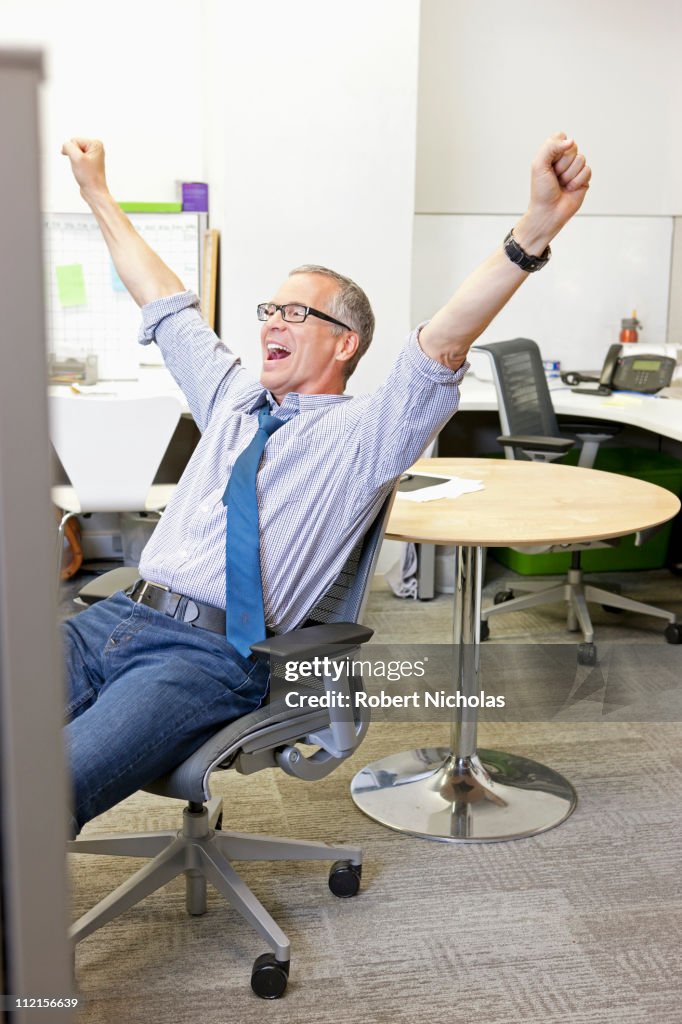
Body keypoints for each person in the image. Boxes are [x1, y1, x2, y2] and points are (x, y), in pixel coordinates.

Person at [60, 132, 591, 834]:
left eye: (296, 313)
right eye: (270, 311)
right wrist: (97, 190)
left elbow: (442, 343)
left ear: (346, 342)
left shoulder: (367, 435)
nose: (272, 323)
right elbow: (161, 297)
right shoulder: (231, 398)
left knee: (49, 786)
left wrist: (532, 233)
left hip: (208, 656)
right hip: (115, 620)